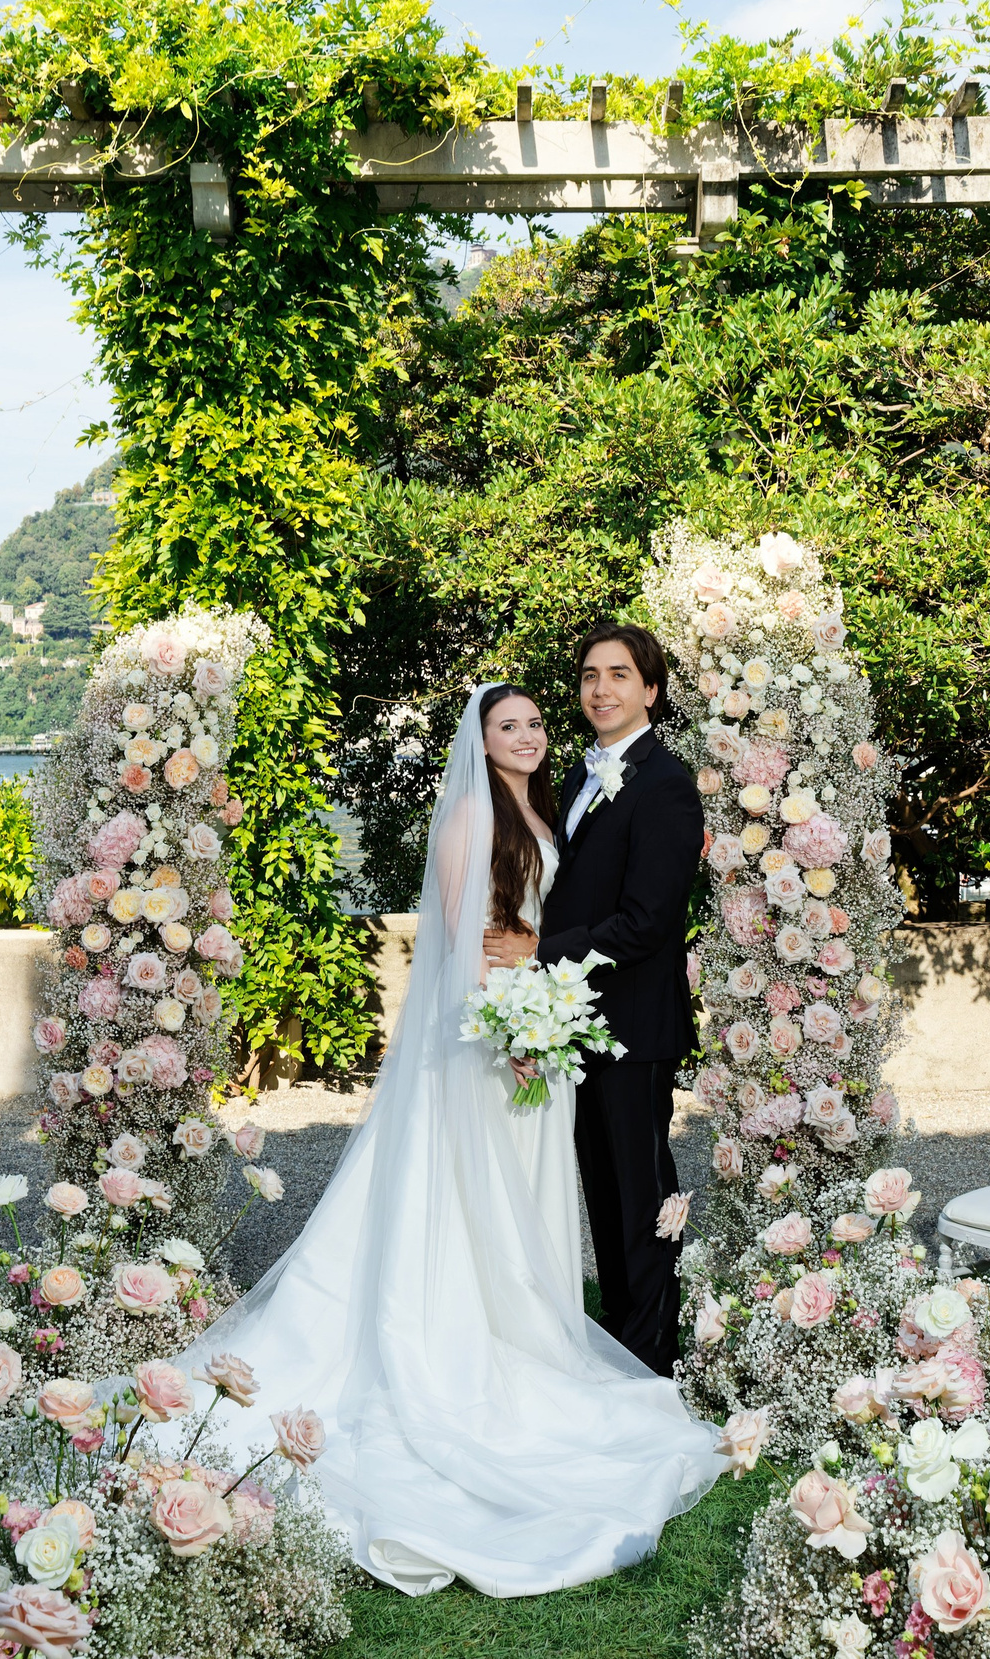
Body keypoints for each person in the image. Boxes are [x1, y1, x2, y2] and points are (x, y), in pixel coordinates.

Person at [180, 679, 722, 1598]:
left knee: (524, 1204)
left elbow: (546, 927)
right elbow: (465, 943)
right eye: (507, 726)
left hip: (537, 1040)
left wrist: (537, 1014)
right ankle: (471, 1349)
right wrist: (510, 1030)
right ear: (479, 739)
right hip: (491, 1048)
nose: (527, 736)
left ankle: (530, 1335)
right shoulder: (475, 813)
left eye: (534, 724)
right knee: (469, 1208)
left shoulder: (549, 806)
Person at [483, 623, 703, 1377]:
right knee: (605, 1200)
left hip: (635, 1029)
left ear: (651, 688)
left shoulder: (667, 786)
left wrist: (537, 952)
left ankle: (653, 1362)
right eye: (588, 675)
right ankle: (625, 1344)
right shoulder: (578, 779)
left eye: (618, 674)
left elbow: (646, 922)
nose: (600, 688)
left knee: (641, 1198)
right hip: (580, 1026)